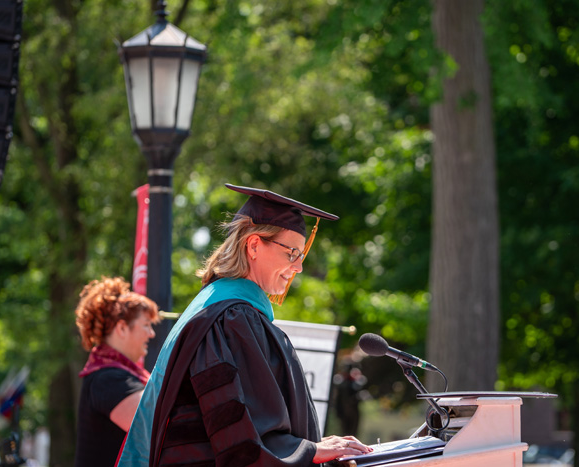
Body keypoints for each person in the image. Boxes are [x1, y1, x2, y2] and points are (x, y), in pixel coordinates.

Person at [117, 183, 372, 467]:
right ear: (253, 245)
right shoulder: (232, 317)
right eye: (292, 253)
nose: (298, 267)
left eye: (302, 255)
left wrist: (310, 448)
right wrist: (305, 453)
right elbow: (238, 433)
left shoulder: (215, 306)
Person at [74, 277, 161, 467]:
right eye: (146, 324)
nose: (151, 333)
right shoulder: (108, 379)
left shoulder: (106, 374)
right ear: (122, 328)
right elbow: (160, 430)